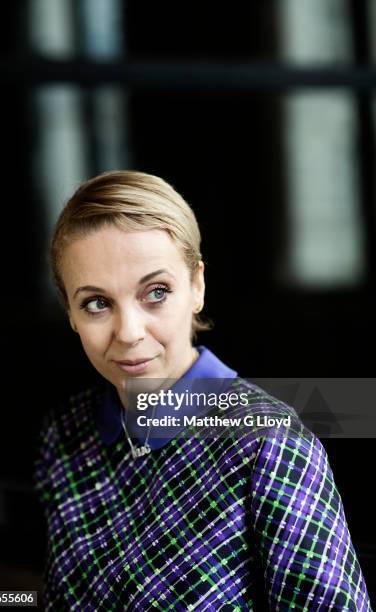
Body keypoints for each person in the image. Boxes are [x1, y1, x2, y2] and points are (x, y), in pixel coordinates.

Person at [33, 170, 372, 611]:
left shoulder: (267, 443)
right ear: (70, 313)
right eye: (96, 303)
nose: (129, 332)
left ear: (197, 286)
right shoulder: (63, 434)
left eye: (155, 292)